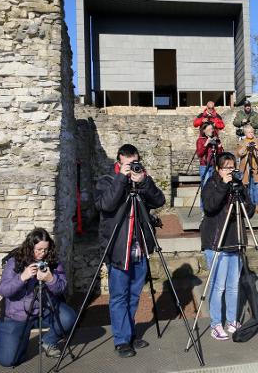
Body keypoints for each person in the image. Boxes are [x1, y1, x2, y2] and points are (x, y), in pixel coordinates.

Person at [95, 144, 166, 357]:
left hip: (139, 247)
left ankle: (130, 333)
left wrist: (143, 181)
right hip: (118, 249)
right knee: (119, 296)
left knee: (134, 295)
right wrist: (121, 179)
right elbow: (106, 205)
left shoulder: (142, 181)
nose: (131, 167)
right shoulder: (107, 181)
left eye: (134, 163)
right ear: (118, 163)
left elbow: (159, 200)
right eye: (127, 164)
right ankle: (121, 340)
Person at [0, 228, 75, 367]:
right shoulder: (15, 261)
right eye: (38, 249)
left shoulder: (52, 261)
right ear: (30, 246)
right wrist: (22, 277)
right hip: (17, 315)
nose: (42, 253)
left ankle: (49, 341)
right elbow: (4, 290)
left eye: (45, 250)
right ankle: (21, 339)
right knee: (8, 361)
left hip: (44, 310)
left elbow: (62, 287)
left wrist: (51, 279)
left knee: (68, 317)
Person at [200, 152, 255, 340]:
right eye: (226, 167)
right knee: (219, 286)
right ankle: (216, 323)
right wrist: (224, 184)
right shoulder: (212, 183)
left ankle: (232, 319)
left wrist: (241, 195)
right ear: (218, 169)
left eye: (232, 167)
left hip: (235, 239)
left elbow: (249, 209)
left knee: (233, 286)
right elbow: (210, 206)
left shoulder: (238, 184)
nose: (230, 171)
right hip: (217, 242)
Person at [236, 125, 258, 214]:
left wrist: (257, 147)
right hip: (246, 168)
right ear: (245, 133)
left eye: (252, 132)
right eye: (249, 132)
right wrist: (245, 146)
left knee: (257, 186)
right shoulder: (242, 142)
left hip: (256, 167)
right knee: (247, 187)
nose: (251, 134)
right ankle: (250, 206)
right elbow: (238, 154)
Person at [197, 123, 224, 210]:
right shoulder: (200, 140)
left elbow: (220, 155)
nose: (211, 131)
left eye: (212, 129)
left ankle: (212, 207)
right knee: (205, 187)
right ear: (204, 131)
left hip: (213, 166)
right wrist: (206, 144)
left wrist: (219, 147)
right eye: (208, 129)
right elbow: (199, 153)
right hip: (205, 166)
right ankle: (203, 209)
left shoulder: (215, 140)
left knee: (214, 187)